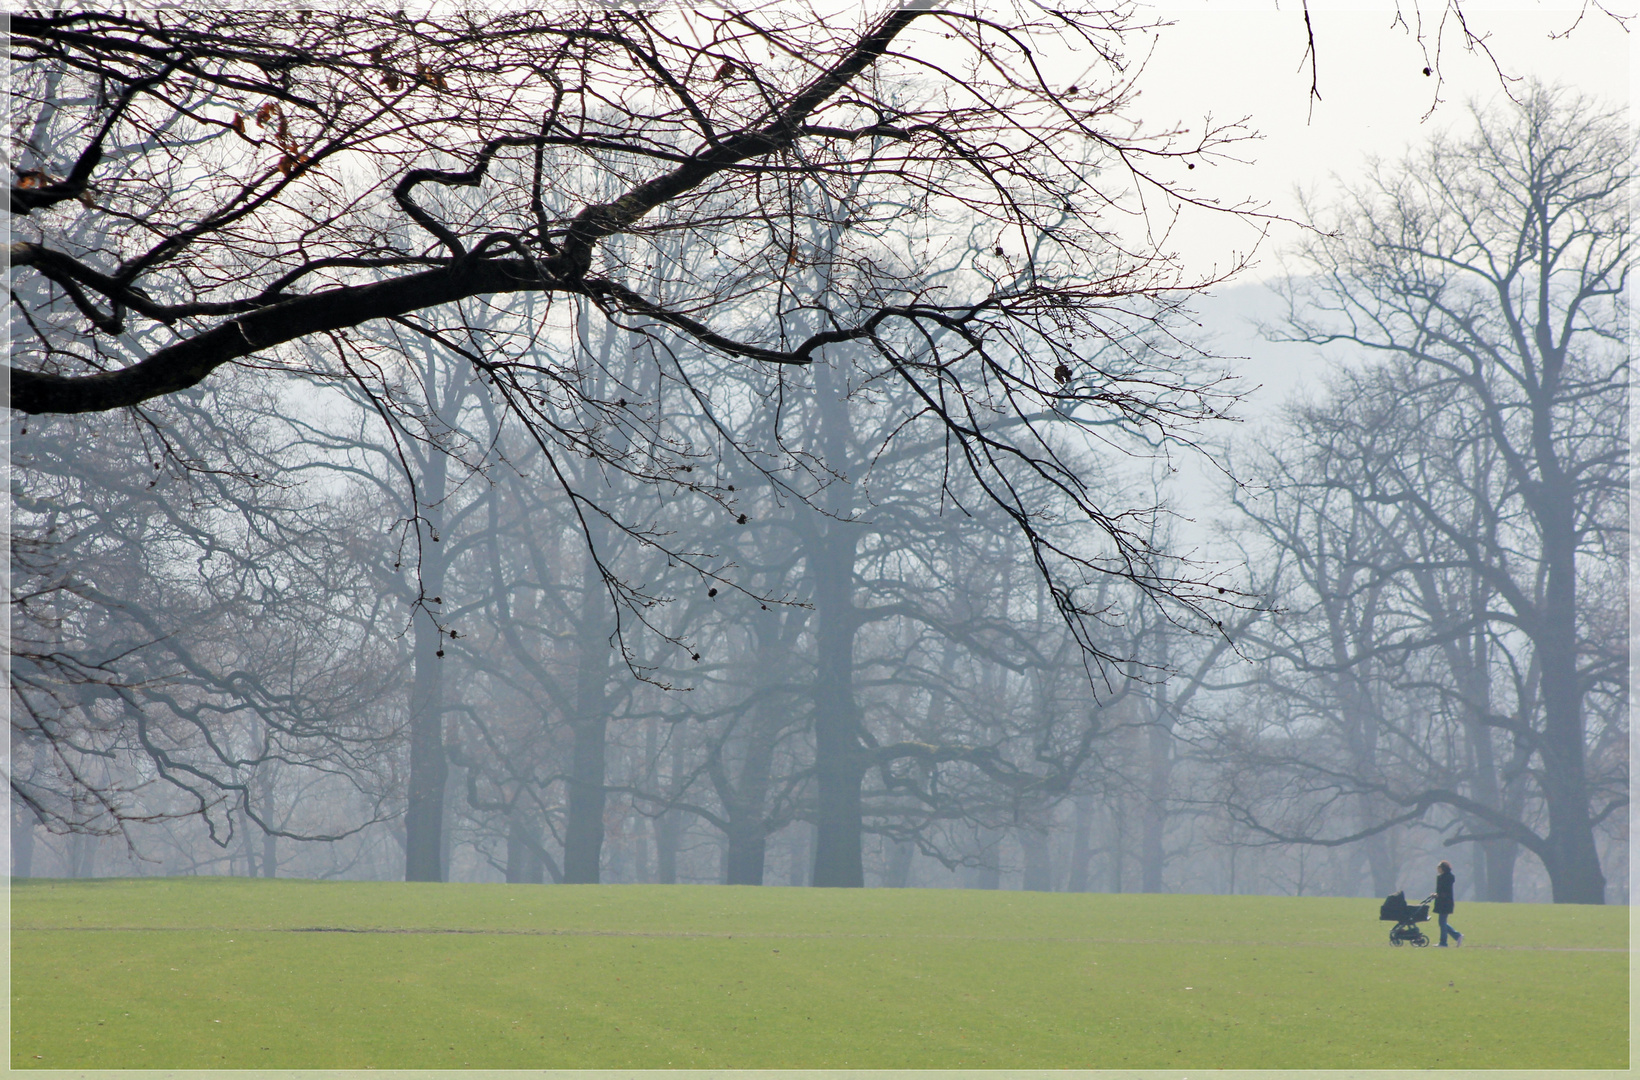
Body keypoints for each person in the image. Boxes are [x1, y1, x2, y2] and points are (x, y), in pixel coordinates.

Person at [1425, 860, 1463, 947]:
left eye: (1439, 868)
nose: (1437, 869)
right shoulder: (1441, 877)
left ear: (1443, 868)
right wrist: (1436, 894)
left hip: (1445, 903)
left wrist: (1437, 895)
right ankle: (1457, 936)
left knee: (1442, 922)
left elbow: (1445, 891)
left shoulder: (1447, 878)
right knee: (1442, 922)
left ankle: (1444, 942)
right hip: (1442, 902)